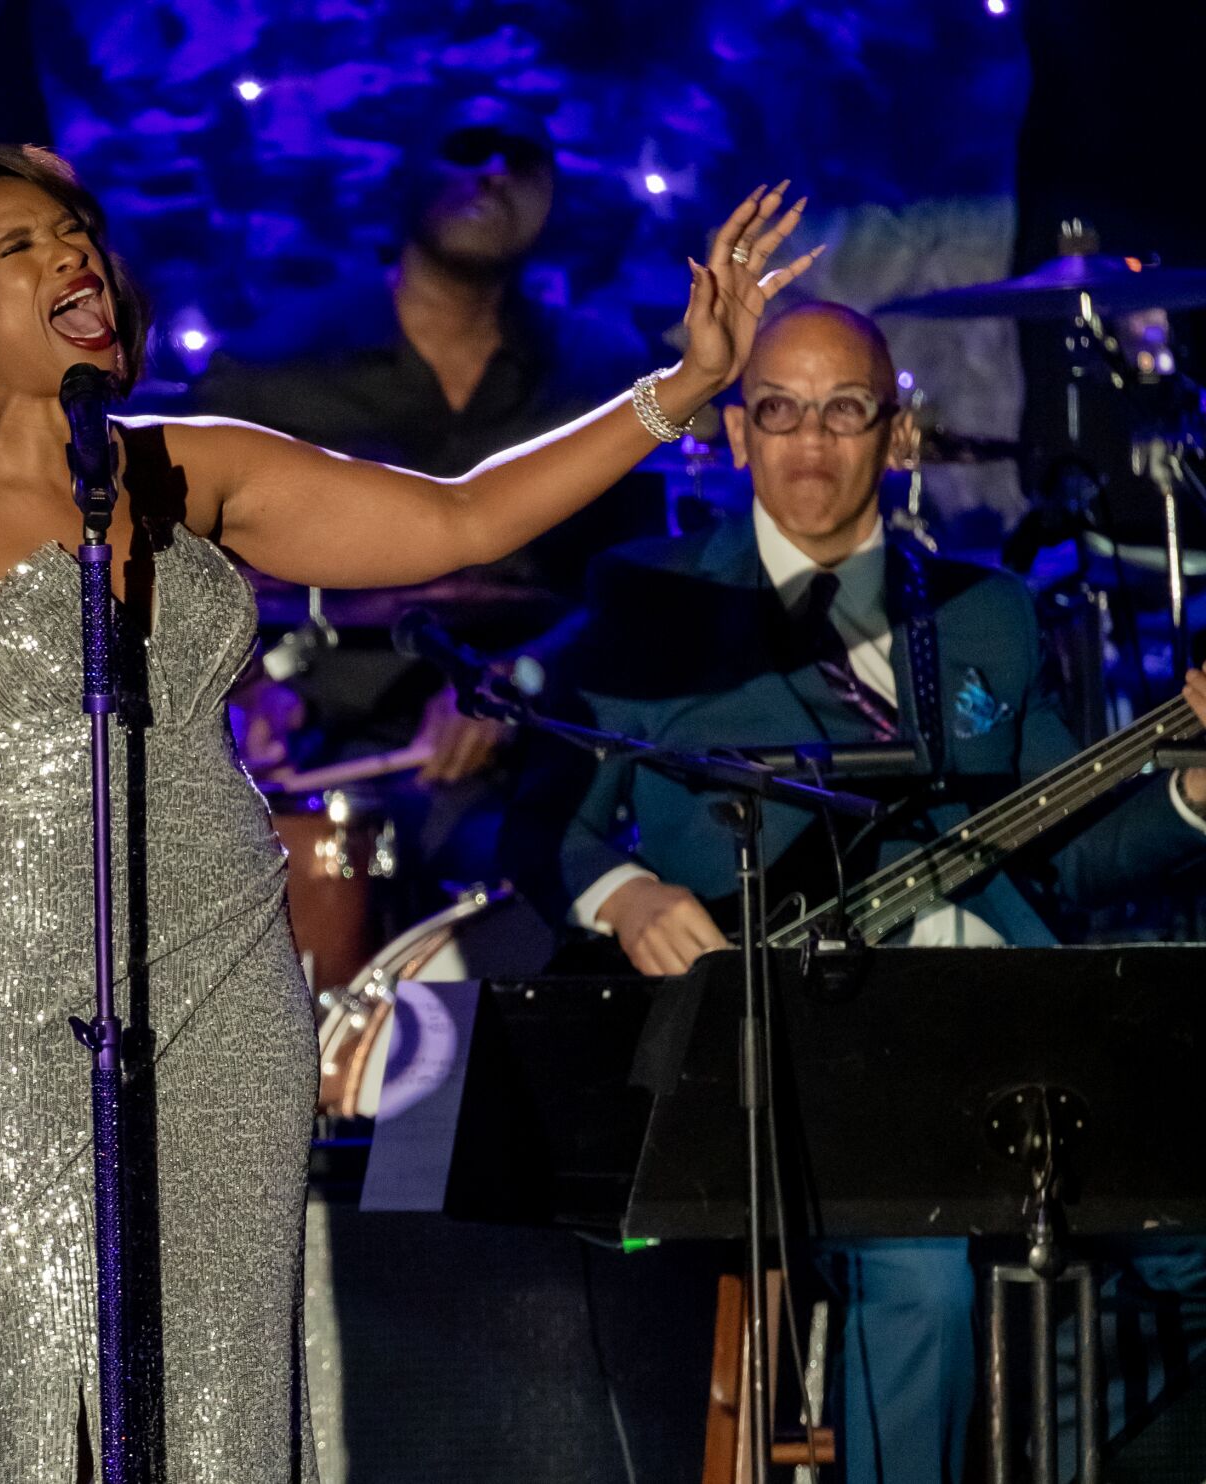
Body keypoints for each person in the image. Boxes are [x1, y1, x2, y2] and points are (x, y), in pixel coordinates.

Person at [0, 142, 815, 1482]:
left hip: (224, 956)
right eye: (22, 246)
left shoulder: (192, 466)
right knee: (31, 1329)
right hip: (12, 969)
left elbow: (457, 523)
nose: (73, 258)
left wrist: (681, 388)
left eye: (79, 234)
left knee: (225, 1351)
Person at [515, 300, 1206, 1481]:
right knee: (924, 1274)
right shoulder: (655, 599)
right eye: (777, 411)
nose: (808, 443)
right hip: (789, 1047)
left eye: (844, 412)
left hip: (997, 1028)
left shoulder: (982, 612)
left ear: (897, 437)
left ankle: (1031, 1446)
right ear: (734, 435)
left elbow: (1065, 854)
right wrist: (625, 895)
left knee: (1189, 1237)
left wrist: (1190, 794)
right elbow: (542, 823)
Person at [194, 98, 662, 892]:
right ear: (408, 175)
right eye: (468, 148)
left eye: (522, 159)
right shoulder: (276, 363)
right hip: (318, 747)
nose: (493, 173)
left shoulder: (599, 370)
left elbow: (633, 581)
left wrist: (517, 677)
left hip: (536, 739)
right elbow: (178, 568)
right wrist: (245, 693)